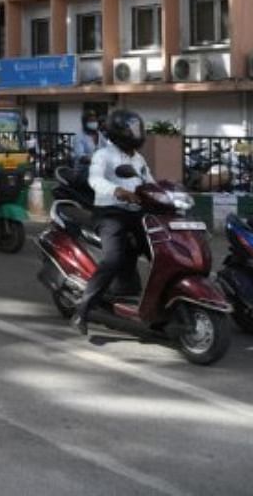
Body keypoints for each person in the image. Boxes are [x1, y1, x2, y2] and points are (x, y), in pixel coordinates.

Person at [72, 109, 155, 336]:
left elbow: (150, 182)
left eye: (138, 128)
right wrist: (117, 190)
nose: (136, 133)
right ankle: (84, 308)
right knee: (113, 258)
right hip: (110, 213)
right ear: (120, 132)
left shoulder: (139, 159)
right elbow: (95, 180)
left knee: (158, 250)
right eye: (132, 129)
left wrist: (167, 194)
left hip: (137, 213)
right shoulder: (103, 155)